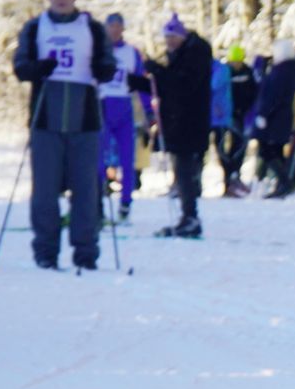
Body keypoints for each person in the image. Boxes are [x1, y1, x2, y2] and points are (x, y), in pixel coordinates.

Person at [11, 0, 116, 270]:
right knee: (45, 190)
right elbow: (20, 66)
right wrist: (37, 68)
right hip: (46, 116)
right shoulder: (35, 27)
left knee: (86, 190)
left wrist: (102, 68)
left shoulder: (92, 28)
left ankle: (86, 251)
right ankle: (45, 251)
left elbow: (107, 62)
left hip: (84, 118)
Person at [140, 15, 213, 238]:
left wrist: (158, 71)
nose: (169, 42)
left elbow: (181, 84)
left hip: (190, 121)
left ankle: (190, 216)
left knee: (185, 170)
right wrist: (139, 81)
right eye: (167, 38)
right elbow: (166, 86)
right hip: (179, 120)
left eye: (173, 37)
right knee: (181, 170)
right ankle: (187, 215)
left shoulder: (195, 54)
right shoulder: (180, 55)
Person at [97, 12, 149, 222]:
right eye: (111, 26)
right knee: (100, 158)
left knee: (128, 159)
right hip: (102, 105)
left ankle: (126, 202)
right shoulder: (98, 51)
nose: (115, 30)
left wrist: (149, 110)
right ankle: (98, 201)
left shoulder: (131, 52)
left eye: (118, 26)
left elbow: (141, 83)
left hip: (123, 106)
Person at [253, 39, 295, 198]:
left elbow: (273, 95)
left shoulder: (282, 72)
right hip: (280, 117)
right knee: (276, 151)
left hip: (274, 118)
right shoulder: (289, 70)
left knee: (268, 151)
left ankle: (285, 181)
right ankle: (282, 183)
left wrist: (264, 114)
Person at [215, 44, 258, 196]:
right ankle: (227, 178)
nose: (236, 65)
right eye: (234, 62)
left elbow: (253, 92)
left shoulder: (248, 73)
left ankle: (235, 176)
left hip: (240, 115)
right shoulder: (224, 72)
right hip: (223, 116)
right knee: (221, 148)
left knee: (239, 146)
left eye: (238, 62)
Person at [208, 48, 237, 197]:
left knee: (220, 150)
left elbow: (213, 86)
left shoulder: (221, 69)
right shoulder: (211, 68)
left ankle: (230, 179)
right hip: (208, 116)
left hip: (219, 116)